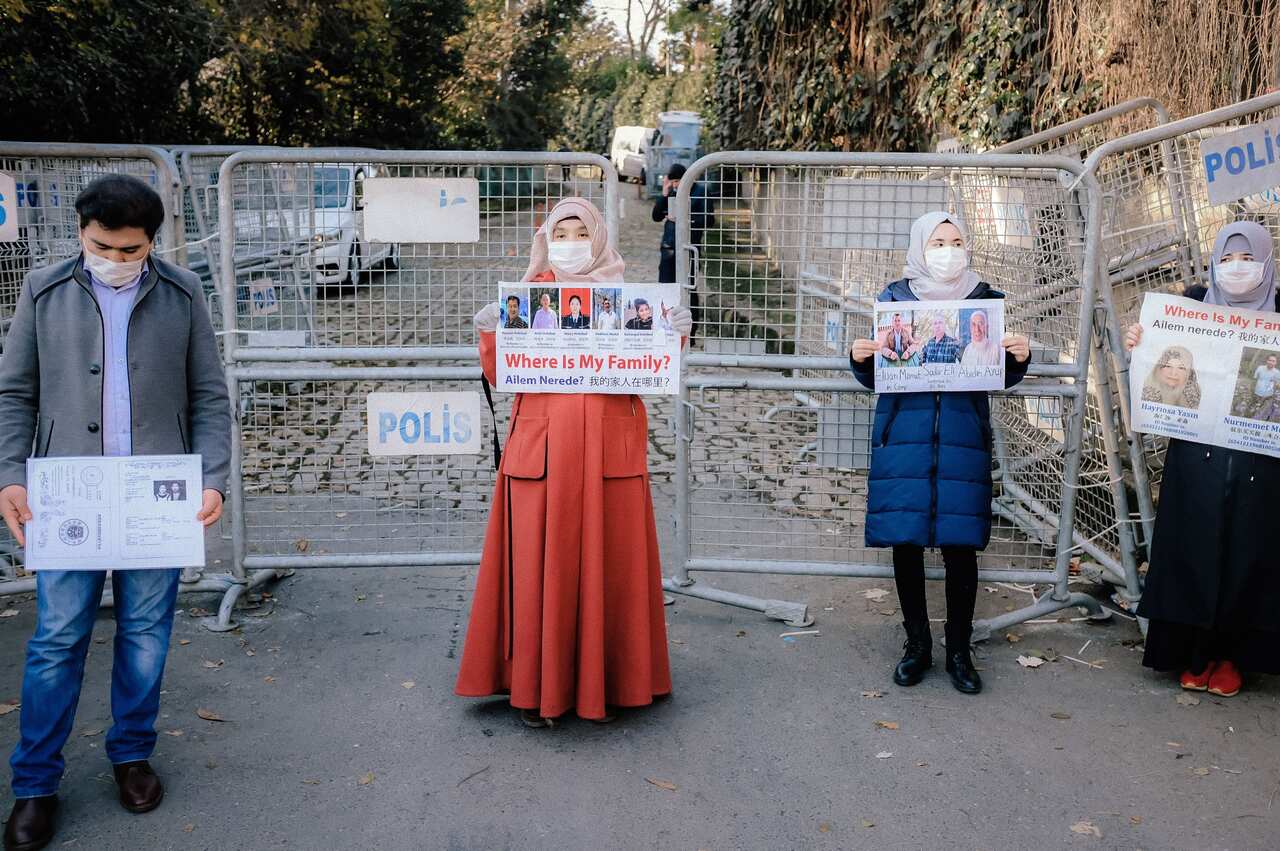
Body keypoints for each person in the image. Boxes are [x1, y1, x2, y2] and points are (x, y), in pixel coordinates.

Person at [0, 175, 231, 849]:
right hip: (67, 493)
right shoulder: (44, 290)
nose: (117, 259)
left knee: (145, 634)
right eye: (104, 245)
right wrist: (10, 475)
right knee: (57, 638)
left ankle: (131, 755)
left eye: (131, 250)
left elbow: (210, 394)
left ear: (152, 242)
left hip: (153, 497)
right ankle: (35, 783)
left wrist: (211, 477)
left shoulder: (183, 292)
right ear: (80, 231)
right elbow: (14, 393)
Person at [457, 197, 693, 726]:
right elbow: (499, 376)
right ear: (546, 237)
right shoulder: (529, 292)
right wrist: (491, 330)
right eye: (559, 232)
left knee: (611, 561)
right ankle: (537, 682)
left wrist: (677, 332)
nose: (569, 242)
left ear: (598, 237)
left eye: (579, 231)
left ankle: (611, 680)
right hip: (541, 452)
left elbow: (659, 368)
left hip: (609, 450)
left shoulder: (629, 297)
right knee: (541, 565)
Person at [849, 211, 1030, 695]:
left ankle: (958, 650)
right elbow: (877, 376)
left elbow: (998, 376)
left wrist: (1019, 358)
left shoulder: (985, 300)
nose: (948, 251)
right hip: (903, 439)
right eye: (937, 243)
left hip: (962, 440)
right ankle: (916, 646)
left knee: (960, 545)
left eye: (956, 241)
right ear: (918, 249)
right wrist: (860, 359)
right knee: (905, 543)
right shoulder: (893, 299)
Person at [1125, 220, 1280, 698]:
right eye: (1228, 258)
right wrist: (1140, 342)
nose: (1237, 268)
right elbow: (1161, 364)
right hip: (1198, 455)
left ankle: (1233, 658)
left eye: (1247, 258)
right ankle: (1191, 653)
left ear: (1267, 262)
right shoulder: (1191, 307)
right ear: (1213, 262)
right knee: (1193, 543)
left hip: (1262, 461)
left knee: (1249, 552)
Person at [651, 163, 709, 336]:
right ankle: (667, 330)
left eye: (678, 181)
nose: (676, 185)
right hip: (668, 250)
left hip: (689, 250)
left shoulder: (700, 192)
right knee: (666, 290)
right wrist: (664, 193)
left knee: (688, 291)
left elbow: (708, 220)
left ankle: (690, 333)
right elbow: (655, 216)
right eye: (673, 181)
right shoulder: (672, 192)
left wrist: (684, 219)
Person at [1249, 354, 1280, 418]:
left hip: (1268, 397)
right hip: (1256, 394)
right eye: (1269, 360)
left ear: (1276, 362)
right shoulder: (1260, 368)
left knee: (1261, 413)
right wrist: (1251, 390)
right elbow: (1254, 380)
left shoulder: (1277, 372)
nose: (1271, 362)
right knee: (1251, 410)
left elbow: (1277, 385)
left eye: (1273, 361)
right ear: (1267, 360)